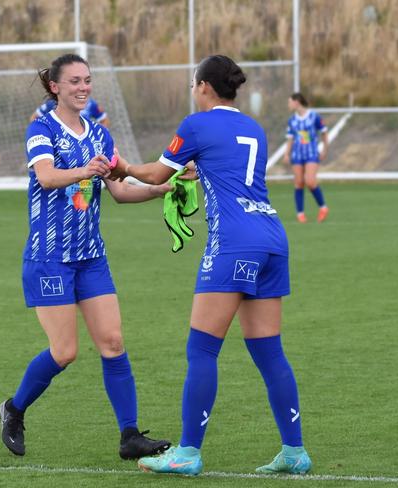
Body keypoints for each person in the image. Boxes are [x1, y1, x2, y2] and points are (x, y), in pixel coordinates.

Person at [108, 55, 312, 476]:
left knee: (202, 348)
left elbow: (153, 172)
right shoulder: (252, 127)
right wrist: (194, 173)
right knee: (269, 351)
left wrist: (120, 165)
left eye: (192, 84)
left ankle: (187, 451)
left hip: (233, 243)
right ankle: (294, 451)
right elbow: (225, 171)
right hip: (272, 239)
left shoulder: (196, 124)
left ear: (203, 86)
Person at [0, 53, 172, 460]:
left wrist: (161, 190)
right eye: (74, 81)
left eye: (87, 80)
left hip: (91, 256)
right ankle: (14, 409)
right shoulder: (41, 129)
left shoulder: (100, 135)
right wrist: (83, 171)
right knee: (65, 352)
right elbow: (45, 175)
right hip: (50, 258)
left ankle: (129, 435)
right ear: (55, 87)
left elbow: (121, 189)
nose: (83, 87)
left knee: (113, 343)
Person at [284, 92, 329, 223]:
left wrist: (325, 149)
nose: (289, 105)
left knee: (310, 181)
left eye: (290, 102)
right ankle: (300, 214)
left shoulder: (314, 116)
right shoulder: (292, 120)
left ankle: (323, 207)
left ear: (296, 102)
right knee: (298, 183)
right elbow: (290, 138)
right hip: (297, 154)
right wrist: (287, 154)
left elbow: (324, 132)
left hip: (311, 154)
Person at [30, 96, 110, 127]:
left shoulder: (90, 103)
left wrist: (98, 134)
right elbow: (34, 117)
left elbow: (104, 119)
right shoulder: (52, 103)